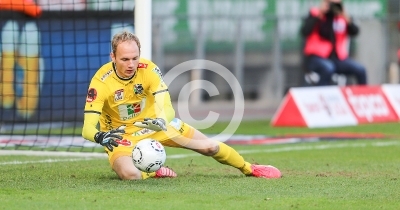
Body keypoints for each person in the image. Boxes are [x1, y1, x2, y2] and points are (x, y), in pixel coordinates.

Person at [81, 31, 282, 180]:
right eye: (124, 59)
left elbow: (167, 107)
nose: (131, 64)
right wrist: (101, 136)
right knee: (131, 175)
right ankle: (152, 172)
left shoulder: (149, 70)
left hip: (155, 126)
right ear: (113, 57)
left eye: (135, 58)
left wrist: (161, 120)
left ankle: (250, 168)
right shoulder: (101, 82)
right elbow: (87, 128)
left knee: (210, 147)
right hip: (120, 136)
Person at [300, 0, 367, 86]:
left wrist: (345, 16)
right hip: (316, 58)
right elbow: (305, 31)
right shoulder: (315, 14)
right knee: (328, 68)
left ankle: (361, 97)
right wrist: (321, 13)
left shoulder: (342, 17)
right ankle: (321, 95)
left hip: (337, 58)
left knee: (360, 70)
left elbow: (355, 32)